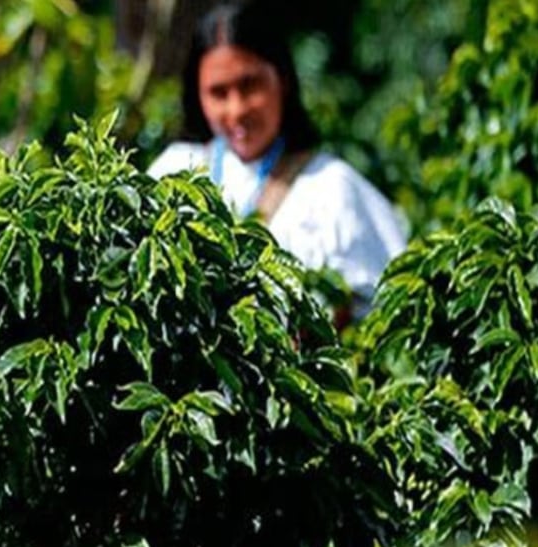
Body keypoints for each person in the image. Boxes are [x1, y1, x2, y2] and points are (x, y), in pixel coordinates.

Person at [148, 2, 406, 323]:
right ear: (197, 97)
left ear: (282, 80)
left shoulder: (332, 189)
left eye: (250, 85)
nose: (237, 109)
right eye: (218, 93)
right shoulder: (172, 173)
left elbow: (384, 309)